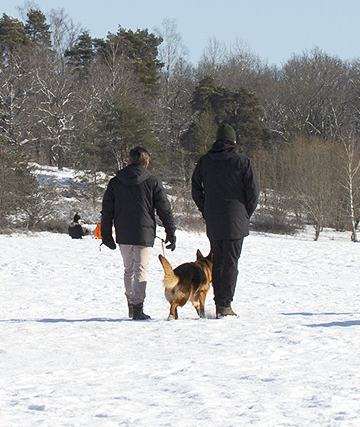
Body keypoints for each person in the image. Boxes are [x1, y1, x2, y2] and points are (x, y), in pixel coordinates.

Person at [99, 146, 177, 320]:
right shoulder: (152, 181)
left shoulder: (115, 182)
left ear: (128, 161)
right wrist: (171, 232)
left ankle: (131, 304)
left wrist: (106, 235)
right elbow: (164, 209)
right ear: (146, 164)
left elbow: (107, 211)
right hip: (144, 233)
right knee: (140, 269)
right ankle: (137, 307)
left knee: (129, 270)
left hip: (124, 233)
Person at [191, 123, 260, 318]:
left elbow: (196, 188)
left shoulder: (205, 161)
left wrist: (205, 209)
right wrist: (245, 213)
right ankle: (224, 305)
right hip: (236, 219)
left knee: (218, 261)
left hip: (214, 220)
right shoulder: (242, 161)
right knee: (230, 263)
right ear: (234, 141)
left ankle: (219, 301)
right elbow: (253, 193)